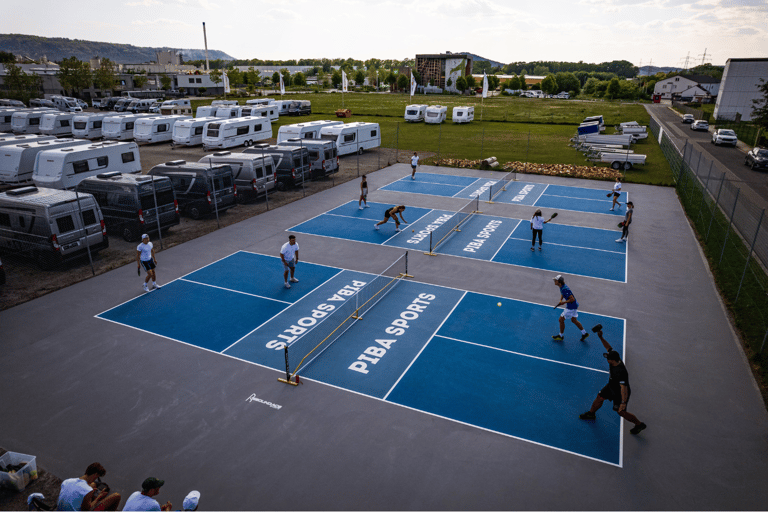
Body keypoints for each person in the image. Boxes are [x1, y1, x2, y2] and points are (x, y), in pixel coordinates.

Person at [579, 327, 647, 435]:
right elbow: (608, 347)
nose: (606, 359)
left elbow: (623, 388)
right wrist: (601, 337)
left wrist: (623, 403)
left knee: (621, 412)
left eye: (608, 358)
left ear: (613, 360)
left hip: (620, 393)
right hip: (611, 386)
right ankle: (591, 414)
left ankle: (639, 424)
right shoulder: (615, 359)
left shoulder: (621, 372)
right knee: (599, 397)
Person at [56, 462, 121, 511]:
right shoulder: (87, 490)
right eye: (97, 477)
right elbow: (87, 509)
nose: (95, 480)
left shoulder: (67, 481)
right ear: (95, 474)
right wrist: (99, 497)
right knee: (117, 496)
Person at [552, 275, 589, 342]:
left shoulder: (565, 289)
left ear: (559, 281)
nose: (554, 281)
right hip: (574, 306)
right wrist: (561, 299)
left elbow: (572, 299)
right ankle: (584, 333)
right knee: (574, 320)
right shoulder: (561, 287)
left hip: (571, 307)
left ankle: (560, 336)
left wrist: (564, 302)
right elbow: (562, 293)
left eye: (555, 280)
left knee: (561, 320)